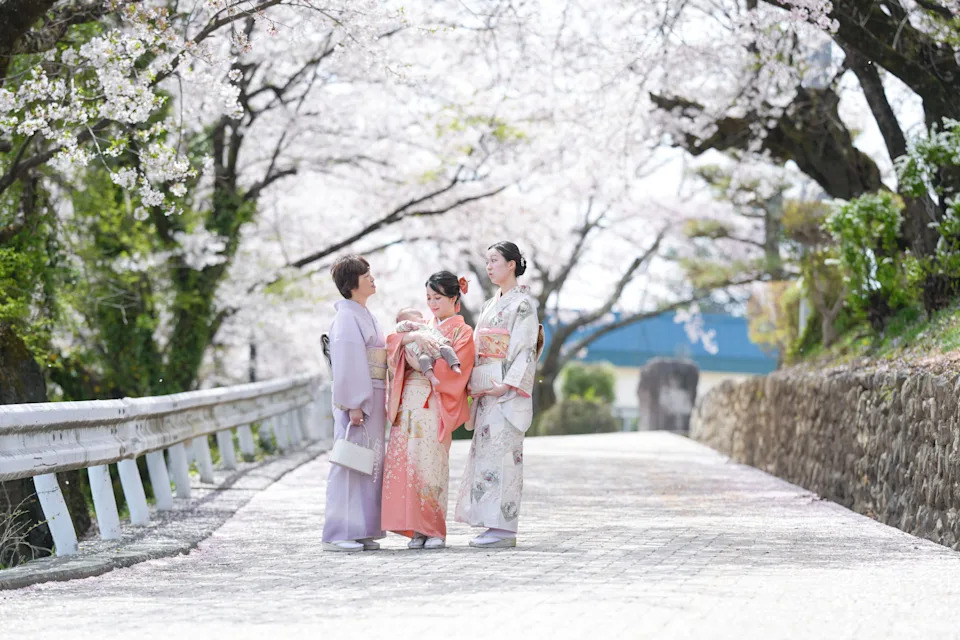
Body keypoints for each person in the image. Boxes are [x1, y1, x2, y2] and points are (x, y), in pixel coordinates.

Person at [455, 242, 540, 549]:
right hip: (488, 388)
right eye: (487, 261)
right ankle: (491, 523)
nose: (489, 267)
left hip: (505, 391)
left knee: (504, 458)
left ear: (513, 264)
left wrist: (505, 384)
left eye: (495, 261)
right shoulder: (493, 303)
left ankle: (504, 529)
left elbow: (525, 349)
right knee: (487, 457)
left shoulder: (523, 304)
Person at [381, 272, 475, 550]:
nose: (432, 304)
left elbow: (459, 371)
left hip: (435, 401)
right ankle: (415, 529)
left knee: (430, 465)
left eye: (438, 298)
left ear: (454, 298)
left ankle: (434, 529)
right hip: (408, 402)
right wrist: (410, 340)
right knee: (406, 463)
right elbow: (393, 347)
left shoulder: (463, 331)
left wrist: (422, 358)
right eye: (429, 299)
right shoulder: (423, 326)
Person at [321, 255, 387, 553]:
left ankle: (360, 528)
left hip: (373, 392)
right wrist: (355, 404)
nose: (371, 278)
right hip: (359, 400)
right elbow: (348, 363)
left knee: (366, 463)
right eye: (365, 275)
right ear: (351, 284)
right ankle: (338, 532)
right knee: (349, 462)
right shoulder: (347, 317)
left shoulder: (363, 313)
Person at [393, 307, 463, 386]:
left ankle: (454, 365)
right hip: (423, 353)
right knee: (424, 360)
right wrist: (410, 324)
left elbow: (437, 335)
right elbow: (399, 326)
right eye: (419, 318)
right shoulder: (406, 331)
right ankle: (432, 377)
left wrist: (444, 342)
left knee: (448, 349)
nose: (423, 319)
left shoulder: (427, 328)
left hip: (437, 348)